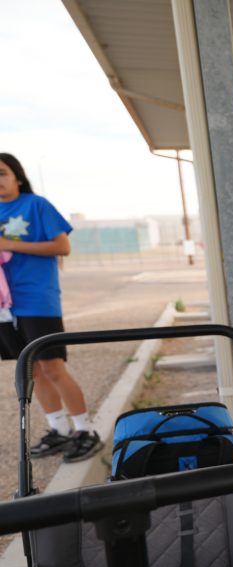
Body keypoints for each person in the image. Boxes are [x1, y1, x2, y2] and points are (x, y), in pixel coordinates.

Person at [0, 152, 102, 463]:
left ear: (17, 175)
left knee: (53, 367)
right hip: (6, 306)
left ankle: (85, 430)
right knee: (30, 369)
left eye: (2, 173)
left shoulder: (37, 205)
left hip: (37, 300)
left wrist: (9, 244)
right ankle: (58, 429)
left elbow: (62, 246)